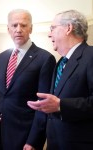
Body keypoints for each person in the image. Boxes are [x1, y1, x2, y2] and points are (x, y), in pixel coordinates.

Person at [0, 9, 56, 150]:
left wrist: (34, 141)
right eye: (14, 26)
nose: (18, 30)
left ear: (31, 28)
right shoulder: (1, 57)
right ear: (8, 29)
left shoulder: (45, 59)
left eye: (23, 25)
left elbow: (43, 106)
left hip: (24, 136)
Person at [27, 9, 93, 150]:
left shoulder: (91, 56)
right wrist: (34, 142)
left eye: (52, 28)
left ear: (68, 28)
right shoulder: (60, 63)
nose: (49, 34)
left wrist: (61, 105)